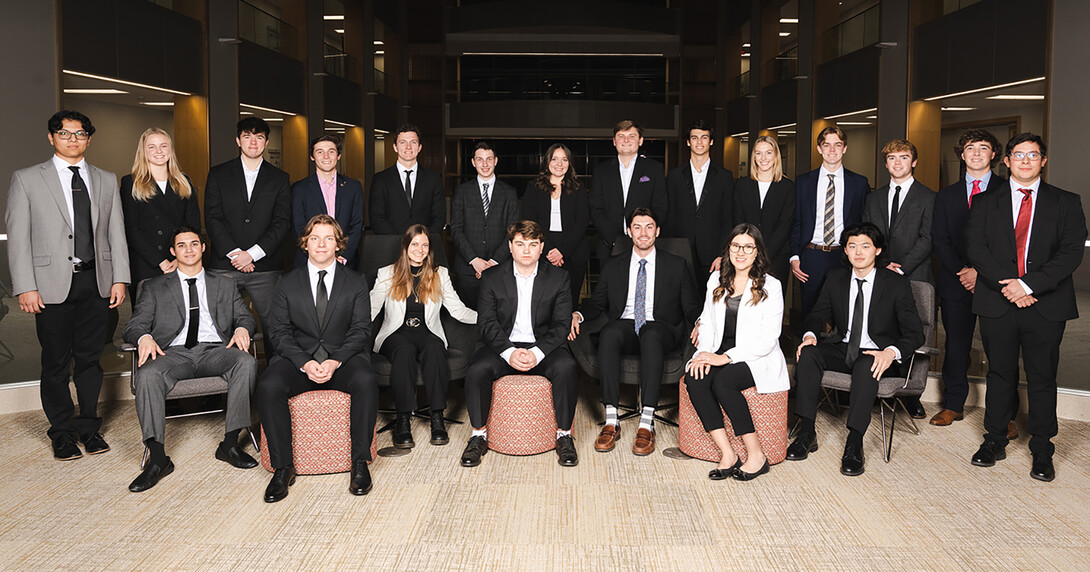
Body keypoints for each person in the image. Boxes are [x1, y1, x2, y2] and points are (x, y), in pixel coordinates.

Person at [6, 110, 128, 460]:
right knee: (56, 362)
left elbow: (115, 233)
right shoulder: (27, 179)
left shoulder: (105, 179)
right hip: (49, 285)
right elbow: (18, 238)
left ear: (89, 139)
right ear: (51, 138)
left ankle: (89, 428)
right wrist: (25, 286)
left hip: (97, 282)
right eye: (64, 133)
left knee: (91, 361)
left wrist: (119, 277)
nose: (72, 139)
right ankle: (61, 432)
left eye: (79, 134)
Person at [966, 133, 1086, 482]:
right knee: (999, 373)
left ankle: (1043, 447)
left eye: (1033, 155)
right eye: (1018, 155)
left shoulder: (1066, 202)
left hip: (1045, 304)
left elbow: (1071, 253)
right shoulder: (986, 201)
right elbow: (976, 248)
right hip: (998, 301)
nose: (1025, 161)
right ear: (1007, 161)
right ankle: (994, 439)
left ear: (1043, 160)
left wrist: (1029, 285)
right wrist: (1011, 285)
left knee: (1042, 377)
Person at [122, 227, 258, 492]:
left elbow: (244, 317)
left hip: (214, 351)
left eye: (194, 244)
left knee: (247, 362)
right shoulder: (153, 286)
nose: (189, 249)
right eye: (181, 245)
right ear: (173, 251)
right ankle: (158, 458)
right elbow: (134, 325)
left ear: (203, 248)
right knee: (147, 374)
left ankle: (229, 444)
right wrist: (143, 338)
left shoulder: (225, 282)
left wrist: (243, 328)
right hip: (172, 354)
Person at [256, 215, 379, 501]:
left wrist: (335, 360)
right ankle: (282, 466)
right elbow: (280, 332)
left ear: (339, 245)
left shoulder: (356, 281)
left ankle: (359, 462)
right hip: (300, 360)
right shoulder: (287, 282)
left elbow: (361, 329)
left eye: (328, 238)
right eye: (315, 238)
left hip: (342, 359)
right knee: (268, 385)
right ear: (305, 244)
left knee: (366, 379)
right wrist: (305, 362)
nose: (321, 244)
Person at [786, 222, 923, 477]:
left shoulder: (895, 284)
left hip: (877, 354)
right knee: (808, 354)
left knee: (865, 364)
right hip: (843, 348)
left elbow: (915, 332)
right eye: (852, 246)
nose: (858, 252)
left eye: (865, 246)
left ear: (878, 250)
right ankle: (806, 432)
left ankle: (854, 443)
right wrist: (809, 336)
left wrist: (890, 351)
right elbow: (816, 316)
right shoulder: (836, 278)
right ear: (846, 251)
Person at [570, 208, 700, 456]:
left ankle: (646, 423)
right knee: (609, 332)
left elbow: (691, 306)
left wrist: (701, 321)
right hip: (628, 324)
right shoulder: (614, 264)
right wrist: (579, 314)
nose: (643, 232)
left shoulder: (676, 265)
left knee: (650, 335)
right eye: (637, 227)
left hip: (661, 328)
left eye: (649, 226)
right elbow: (597, 302)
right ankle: (611, 421)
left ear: (658, 231)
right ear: (629, 232)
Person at [460, 221, 579, 468]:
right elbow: (487, 323)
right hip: (502, 345)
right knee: (476, 370)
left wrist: (536, 353)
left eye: (533, 245)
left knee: (567, 366)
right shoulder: (491, 278)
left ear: (541, 247)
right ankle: (478, 436)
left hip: (543, 346)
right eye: (520, 244)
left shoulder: (559, 278)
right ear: (510, 247)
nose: (526, 250)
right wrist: (509, 352)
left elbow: (560, 325)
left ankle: (564, 435)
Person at [685, 224, 788, 481]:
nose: (740, 252)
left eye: (748, 247)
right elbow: (707, 323)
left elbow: (768, 338)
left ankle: (757, 455)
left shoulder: (771, 286)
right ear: (728, 249)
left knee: (724, 381)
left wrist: (725, 358)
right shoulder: (716, 279)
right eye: (735, 246)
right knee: (694, 377)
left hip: (755, 357)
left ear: (757, 252)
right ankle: (728, 454)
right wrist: (704, 352)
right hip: (720, 349)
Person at [930, 129, 1018, 434]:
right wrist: (964, 271)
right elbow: (939, 239)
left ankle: (1004, 415)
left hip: (996, 282)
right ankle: (953, 404)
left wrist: (981, 273)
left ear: (994, 155)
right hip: (956, 281)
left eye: (984, 148)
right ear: (962, 154)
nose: (977, 153)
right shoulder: (946, 195)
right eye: (970, 148)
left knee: (1001, 350)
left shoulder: (1008, 191)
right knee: (956, 347)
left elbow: (1012, 241)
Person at [370, 224, 477, 448]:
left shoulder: (440, 274)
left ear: (430, 249)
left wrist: (488, 318)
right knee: (404, 350)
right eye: (415, 244)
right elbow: (371, 309)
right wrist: (347, 325)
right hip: (396, 333)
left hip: (427, 332)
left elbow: (458, 310)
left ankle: (437, 418)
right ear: (406, 246)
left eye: (425, 245)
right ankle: (403, 419)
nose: (420, 249)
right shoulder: (387, 273)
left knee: (436, 348)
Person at [862, 138, 935, 419]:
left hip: (914, 273)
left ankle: (911, 394)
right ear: (886, 163)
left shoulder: (929, 197)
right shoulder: (874, 197)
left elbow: (928, 238)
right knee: (881, 327)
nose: (898, 163)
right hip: (879, 272)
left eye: (903, 157)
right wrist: (881, 264)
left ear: (913, 162)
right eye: (892, 158)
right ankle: (878, 386)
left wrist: (901, 267)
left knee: (914, 330)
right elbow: (867, 234)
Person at [203, 117, 291, 344]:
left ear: (266, 142)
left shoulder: (280, 178)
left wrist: (251, 254)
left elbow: (282, 221)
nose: (253, 142)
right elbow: (212, 218)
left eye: (259, 137)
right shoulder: (218, 174)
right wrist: (235, 253)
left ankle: (276, 377)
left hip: (265, 267)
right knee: (218, 326)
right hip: (225, 265)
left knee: (276, 329)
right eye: (247, 136)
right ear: (238, 140)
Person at [790, 126, 870, 317]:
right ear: (819, 148)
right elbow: (797, 222)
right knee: (810, 314)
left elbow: (864, 223)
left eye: (837, 145)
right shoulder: (803, 182)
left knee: (842, 316)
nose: (832, 150)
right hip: (812, 255)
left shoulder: (859, 183)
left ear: (845, 148)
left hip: (844, 256)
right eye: (827, 145)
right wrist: (794, 256)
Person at [119, 127, 201, 306]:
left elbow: (192, 226)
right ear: (143, 152)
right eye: (152, 147)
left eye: (163, 146)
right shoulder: (131, 183)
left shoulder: (184, 181)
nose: (159, 151)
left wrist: (177, 259)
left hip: (181, 260)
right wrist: (161, 262)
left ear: (170, 150)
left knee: (180, 317)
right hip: (146, 263)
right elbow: (132, 229)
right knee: (147, 319)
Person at [450, 141, 518, 309]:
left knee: (498, 317)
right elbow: (456, 229)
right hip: (468, 268)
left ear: (496, 161)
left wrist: (494, 261)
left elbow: (513, 231)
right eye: (480, 159)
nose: (485, 164)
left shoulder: (509, 193)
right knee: (468, 320)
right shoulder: (461, 191)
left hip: (500, 267)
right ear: (473, 162)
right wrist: (474, 260)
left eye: (489, 159)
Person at [589, 119, 668, 263]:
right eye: (621, 136)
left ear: (640, 140)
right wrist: (614, 240)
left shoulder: (654, 169)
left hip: (645, 246)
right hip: (609, 247)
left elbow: (660, 207)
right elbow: (595, 209)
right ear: (614, 141)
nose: (626, 140)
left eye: (632, 136)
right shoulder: (601, 171)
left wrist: (643, 236)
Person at [521, 143, 591, 305]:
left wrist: (562, 251)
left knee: (570, 301)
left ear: (569, 163)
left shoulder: (578, 188)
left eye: (564, 160)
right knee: (544, 302)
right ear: (547, 162)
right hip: (543, 248)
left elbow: (582, 221)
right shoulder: (533, 187)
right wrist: (549, 250)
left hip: (573, 250)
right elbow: (530, 222)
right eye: (554, 159)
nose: (559, 164)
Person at [665, 119, 735, 277]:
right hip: (680, 251)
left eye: (704, 137)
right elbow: (670, 216)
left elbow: (728, 218)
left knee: (711, 300)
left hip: (712, 255)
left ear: (711, 142)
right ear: (688, 142)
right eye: (695, 138)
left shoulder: (724, 176)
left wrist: (722, 254)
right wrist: (669, 251)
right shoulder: (674, 176)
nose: (699, 142)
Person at [291, 134, 364, 270]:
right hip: (310, 261)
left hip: (345, 261)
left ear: (338, 155)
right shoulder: (300, 188)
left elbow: (357, 224)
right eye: (320, 152)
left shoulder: (353, 187)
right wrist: (319, 256)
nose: (326, 156)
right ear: (312, 157)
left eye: (331, 151)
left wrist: (343, 255)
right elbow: (299, 227)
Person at [734, 135, 796, 286]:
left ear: (776, 156)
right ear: (754, 156)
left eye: (768, 152)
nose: (763, 158)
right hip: (746, 256)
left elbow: (785, 225)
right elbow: (738, 219)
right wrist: (750, 250)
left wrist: (763, 253)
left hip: (777, 257)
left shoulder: (788, 187)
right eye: (758, 153)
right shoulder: (742, 185)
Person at [368, 123, 445, 235]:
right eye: (403, 142)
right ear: (395, 147)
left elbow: (439, 218)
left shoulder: (434, 179)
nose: (408, 147)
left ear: (419, 147)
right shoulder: (380, 179)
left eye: (413, 142)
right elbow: (376, 218)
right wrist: (400, 242)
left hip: (424, 248)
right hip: (392, 246)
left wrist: (422, 242)